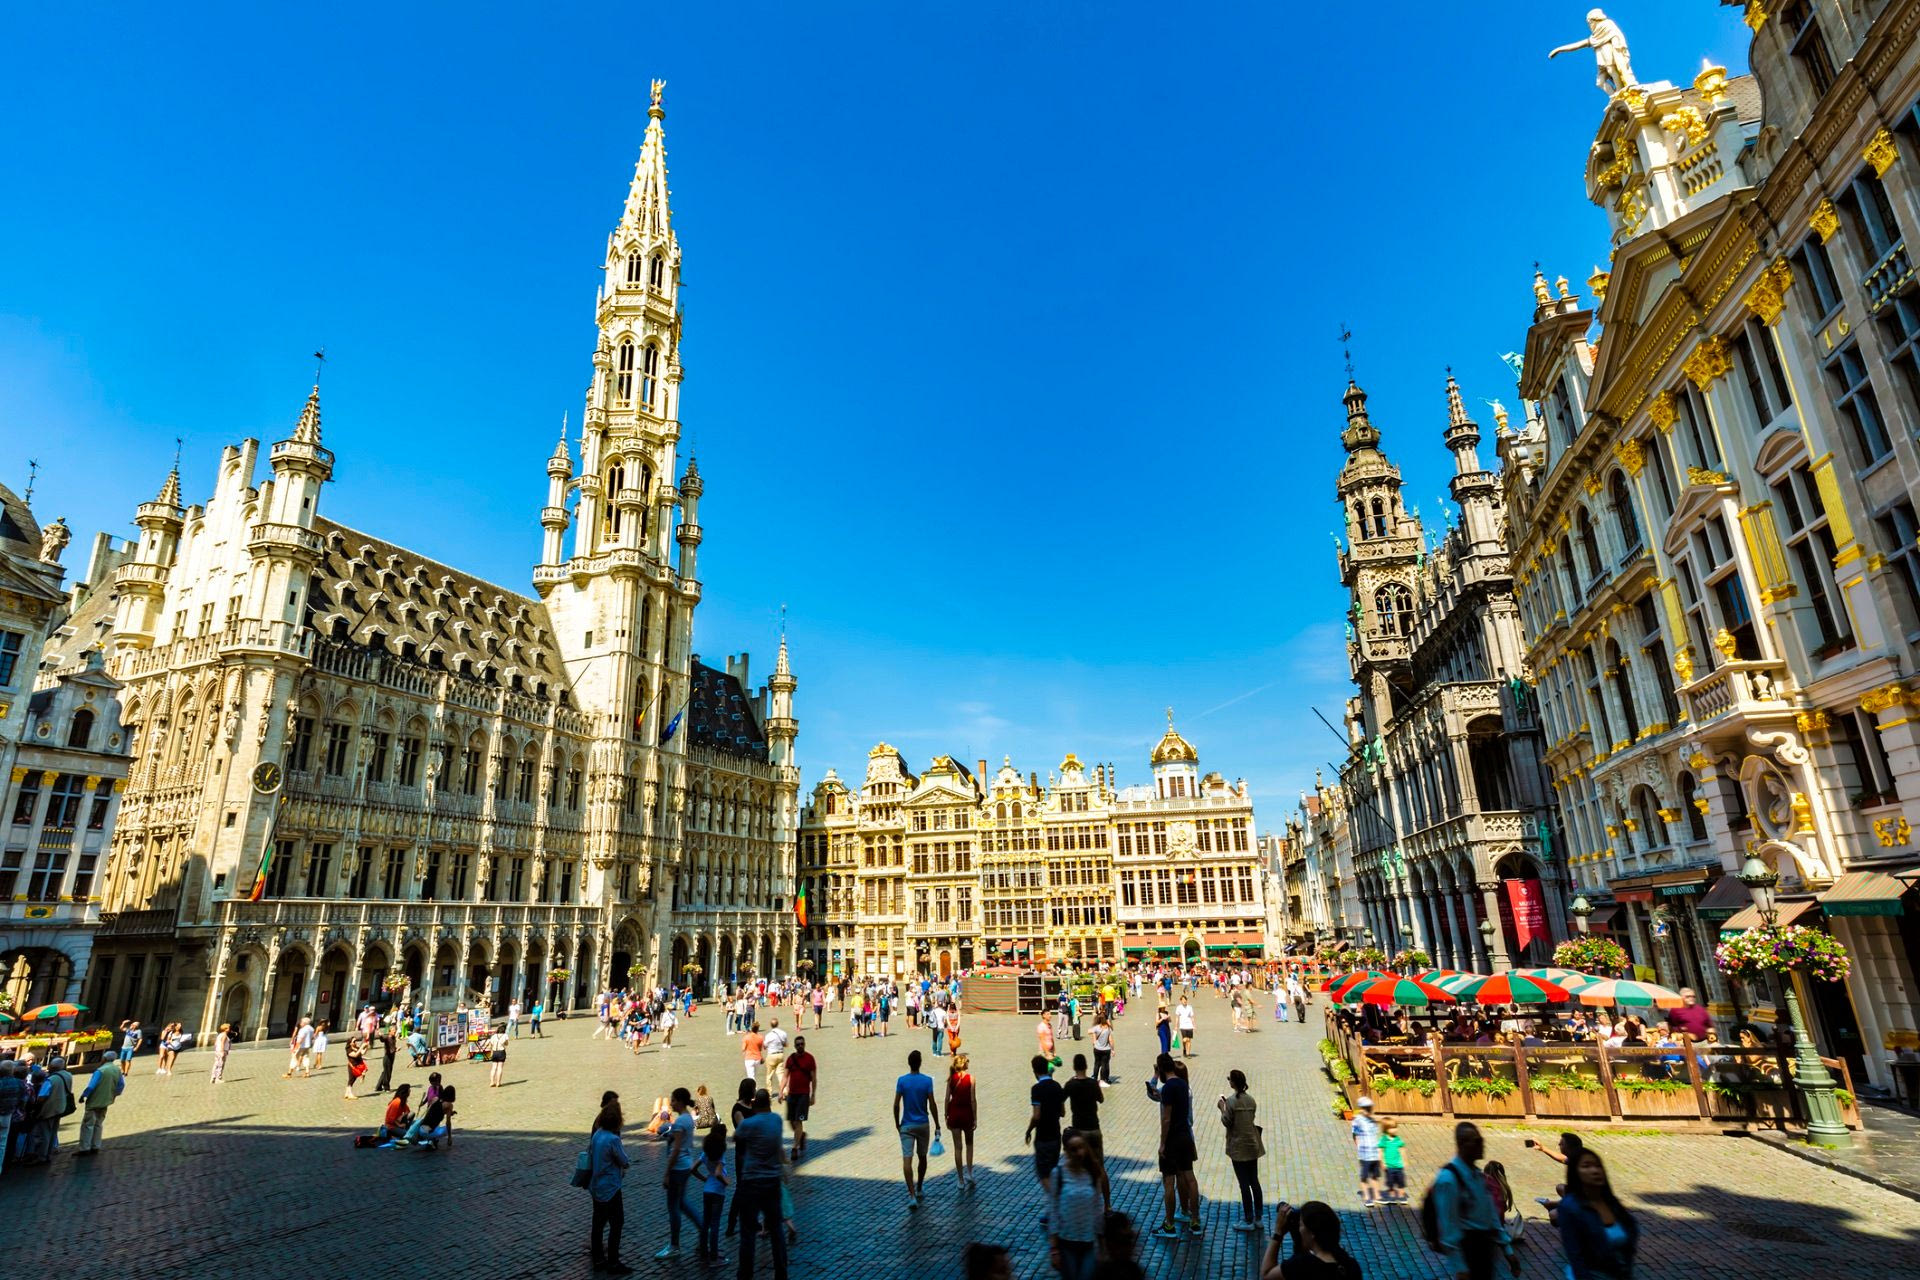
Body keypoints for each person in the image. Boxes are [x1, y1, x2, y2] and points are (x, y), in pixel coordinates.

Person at [1431, 1121, 1517, 1280]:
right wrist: (1460, 1266)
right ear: (1463, 1144)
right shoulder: (1449, 1180)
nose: (1482, 1145)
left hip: (1484, 1249)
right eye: (1477, 1141)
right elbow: (1448, 1226)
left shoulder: (1478, 1176)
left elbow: (1490, 1215)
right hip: (1468, 1250)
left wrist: (1507, 1250)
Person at [734, 1088, 789, 1280]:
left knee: (748, 1232)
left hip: (751, 1181)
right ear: (769, 1104)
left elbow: (737, 1135)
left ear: (755, 1103)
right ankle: (781, 1272)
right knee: (776, 1230)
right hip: (772, 1180)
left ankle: (745, 1274)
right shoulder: (776, 1120)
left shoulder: (749, 1124)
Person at [1557, 1149, 1638, 1279]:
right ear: (1575, 1173)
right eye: (1586, 1166)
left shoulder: (1611, 1202)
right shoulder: (1570, 1207)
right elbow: (1575, 1255)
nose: (1595, 1171)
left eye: (1597, 1165)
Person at [1148, 1054, 1200, 1239]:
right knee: (1190, 1178)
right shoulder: (1184, 1085)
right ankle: (1195, 1220)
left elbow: (1166, 1118)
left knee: (1169, 1182)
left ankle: (1169, 1225)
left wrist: (1162, 1143)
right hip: (1186, 1135)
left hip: (1173, 1139)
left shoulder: (1168, 1088)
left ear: (1161, 1069)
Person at [1050, 1128, 1107, 1280]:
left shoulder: (1092, 1174)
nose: (1079, 1153)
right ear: (1067, 1151)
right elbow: (1053, 1209)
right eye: (1074, 1149)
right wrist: (1054, 1248)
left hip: (1088, 1241)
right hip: (1066, 1242)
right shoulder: (1059, 1174)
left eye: (1081, 1147)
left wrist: (1101, 1243)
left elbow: (1097, 1208)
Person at [1260, 1200, 1362, 1279]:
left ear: (1312, 1233)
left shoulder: (1302, 1266)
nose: (1299, 1229)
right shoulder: (1351, 1266)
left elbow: (1266, 1274)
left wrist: (1278, 1233)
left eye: (1300, 1225)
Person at [589, 1099, 634, 1276]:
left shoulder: (597, 1135)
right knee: (617, 1223)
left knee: (598, 1223)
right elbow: (624, 1160)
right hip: (611, 1187)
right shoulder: (613, 1139)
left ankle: (598, 1258)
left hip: (596, 1186)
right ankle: (613, 1261)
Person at [893, 1048, 941, 1209]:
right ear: (920, 1063)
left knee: (907, 1159)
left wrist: (897, 1123)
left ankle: (911, 1194)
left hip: (906, 1124)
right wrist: (937, 1124)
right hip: (923, 1123)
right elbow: (932, 1104)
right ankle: (919, 1186)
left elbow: (896, 1104)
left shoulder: (902, 1081)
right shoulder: (927, 1081)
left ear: (909, 1064)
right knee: (922, 1157)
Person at [656, 1086, 700, 1259]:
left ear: (680, 1101)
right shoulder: (688, 1119)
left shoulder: (681, 1122)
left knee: (674, 1206)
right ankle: (703, 1228)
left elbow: (675, 1151)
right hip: (686, 1164)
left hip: (678, 1167)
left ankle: (674, 1245)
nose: (671, 1103)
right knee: (682, 1203)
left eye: (673, 1100)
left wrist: (667, 1173)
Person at [1220, 1068, 1265, 1230]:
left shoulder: (1231, 1102)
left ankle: (1248, 1219)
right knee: (1255, 1181)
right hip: (1252, 1144)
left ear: (1233, 1083)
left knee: (1244, 1183)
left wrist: (1222, 1108)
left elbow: (1227, 1122)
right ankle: (1259, 1217)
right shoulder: (1251, 1100)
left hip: (1238, 1146)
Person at [1062, 1053, 1107, 1204]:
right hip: (1094, 1128)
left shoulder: (1070, 1084)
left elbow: (1060, 1100)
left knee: (1080, 1168)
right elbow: (1101, 1099)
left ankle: (1085, 1202)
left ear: (1074, 1067)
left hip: (1079, 1130)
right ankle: (1107, 1204)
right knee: (1100, 1168)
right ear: (1086, 1066)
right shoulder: (1093, 1083)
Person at [1026, 1054, 1067, 1218]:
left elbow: (1036, 1116)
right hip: (1056, 1134)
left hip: (1042, 1135)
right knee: (1053, 1170)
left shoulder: (1036, 1089)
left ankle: (1056, 1203)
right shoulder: (1057, 1086)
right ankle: (1052, 1207)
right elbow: (1063, 1112)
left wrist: (1029, 1130)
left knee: (1043, 1172)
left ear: (1035, 1071)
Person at [76, 1053, 125, 1156]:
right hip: (106, 1101)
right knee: (98, 1123)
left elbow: (91, 1086)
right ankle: (95, 1146)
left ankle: (85, 1148)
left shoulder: (100, 1071)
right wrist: (114, 1095)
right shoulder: (116, 1070)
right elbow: (121, 1085)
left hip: (94, 1101)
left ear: (105, 1058)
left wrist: (83, 1096)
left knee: (88, 1124)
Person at [698, 1122, 730, 1264]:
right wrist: (725, 1182)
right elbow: (718, 1172)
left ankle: (704, 1250)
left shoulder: (706, 1153)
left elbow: (692, 1168)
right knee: (715, 1223)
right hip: (718, 1191)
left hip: (707, 1190)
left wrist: (704, 1178)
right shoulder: (720, 1152)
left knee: (706, 1222)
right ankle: (714, 1256)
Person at [945, 1051, 978, 1189]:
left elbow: (947, 1098)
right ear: (964, 1065)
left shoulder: (951, 1079)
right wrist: (975, 1117)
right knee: (969, 1144)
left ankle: (960, 1179)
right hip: (967, 1113)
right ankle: (969, 1173)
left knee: (957, 1147)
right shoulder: (971, 1079)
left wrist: (946, 1115)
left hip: (954, 1113)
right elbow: (973, 1099)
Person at [785, 1034, 817, 1159]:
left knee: (798, 1121)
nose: (800, 1046)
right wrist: (782, 1090)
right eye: (798, 1044)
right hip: (792, 1094)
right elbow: (785, 1076)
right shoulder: (790, 1059)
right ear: (794, 1046)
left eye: (802, 1044)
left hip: (803, 1094)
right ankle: (801, 1136)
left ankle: (794, 1148)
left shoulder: (810, 1059)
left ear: (804, 1044)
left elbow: (814, 1078)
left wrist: (813, 1095)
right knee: (791, 1122)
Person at [1351, 1096, 1383, 1207]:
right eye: (1365, 1109)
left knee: (1375, 1176)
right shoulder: (1357, 1121)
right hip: (1364, 1154)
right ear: (1361, 1109)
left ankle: (1377, 1195)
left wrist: (1379, 1152)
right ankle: (1366, 1196)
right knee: (1364, 1176)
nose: (1368, 1111)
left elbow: (1376, 1136)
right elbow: (1355, 1135)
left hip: (1374, 1153)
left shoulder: (1372, 1121)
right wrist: (1358, 1146)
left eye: (1370, 1109)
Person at [1380, 1117, 1408, 1203]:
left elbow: (1402, 1150)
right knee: (1390, 1182)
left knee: (1401, 1181)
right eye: (1391, 1128)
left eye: (1395, 1127)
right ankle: (1391, 1197)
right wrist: (1382, 1162)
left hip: (1398, 1165)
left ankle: (1402, 1196)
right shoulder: (1384, 1140)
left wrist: (1405, 1160)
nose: (1394, 1130)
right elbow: (1380, 1151)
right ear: (1385, 1129)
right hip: (1389, 1166)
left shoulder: (1398, 1139)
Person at [763, 1017, 789, 1099]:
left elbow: (764, 1046)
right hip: (780, 1054)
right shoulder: (783, 1033)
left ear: (771, 1025)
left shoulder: (768, 1035)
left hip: (771, 1055)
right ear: (777, 1024)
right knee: (781, 1074)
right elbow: (786, 1044)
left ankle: (769, 1093)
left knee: (769, 1075)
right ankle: (784, 1091)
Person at [1091, 1014, 1115, 1084]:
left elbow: (1094, 1041)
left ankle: (1095, 1078)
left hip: (1097, 1049)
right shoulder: (1108, 1028)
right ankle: (1104, 1079)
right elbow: (1110, 1040)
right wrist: (1113, 1050)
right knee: (1105, 1064)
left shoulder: (1095, 1028)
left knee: (1096, 1064)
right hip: (1106, 1049)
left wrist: (1095, 1045)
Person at [374, 1027, 397, 1093]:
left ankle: (378, 1086)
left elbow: (392, 1046)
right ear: (389, 1032)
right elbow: (382, 1039)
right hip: (387, 1058)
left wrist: (396, 1048)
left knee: (385, 1072)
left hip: (392, 1057)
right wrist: (380, 1035)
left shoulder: (393, 1038)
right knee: (387, 1073)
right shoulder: (387, 1037)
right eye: (393, 1031)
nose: (394, 1032)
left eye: (395, 1031)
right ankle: (386, 1087)